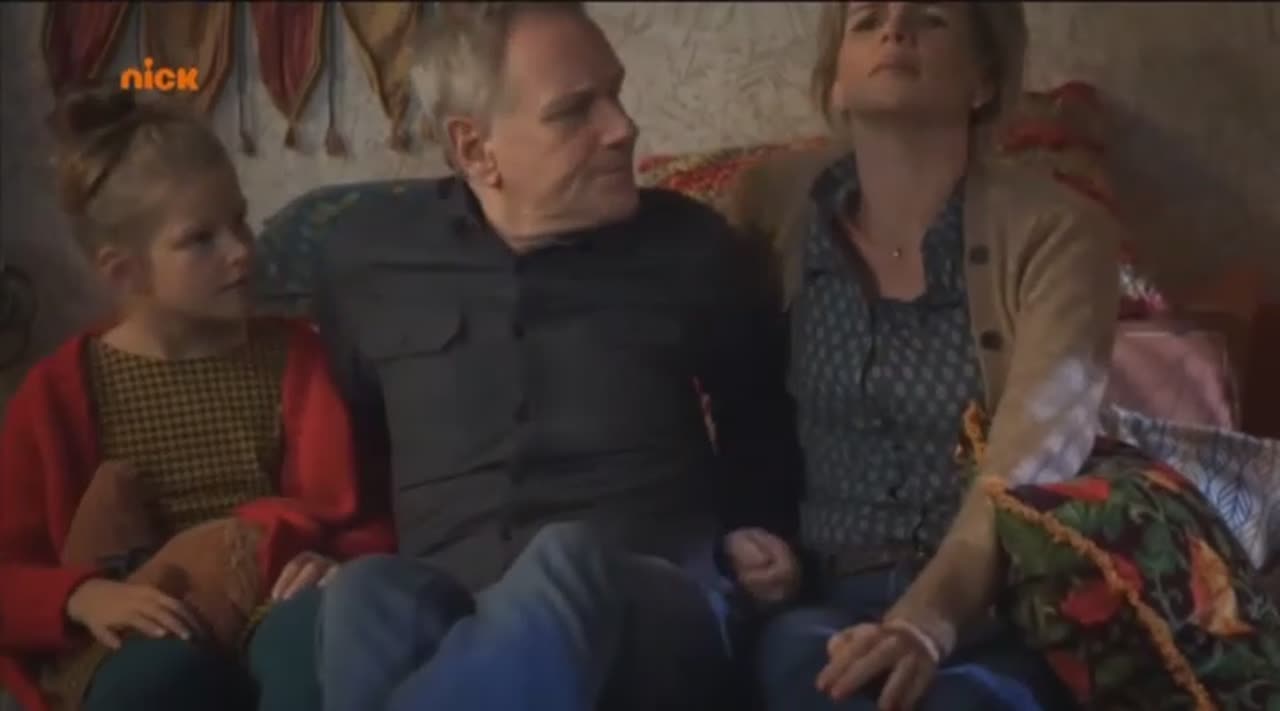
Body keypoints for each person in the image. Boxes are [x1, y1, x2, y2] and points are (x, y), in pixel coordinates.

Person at [311, 3, 803, 711]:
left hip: (656, 603)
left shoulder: (692, 248)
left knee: (567, 556)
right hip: (455, 602)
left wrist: (762, 534)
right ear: (475, 148)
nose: (622, 128)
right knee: (367, 589)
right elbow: (355, 434)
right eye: (575, 111)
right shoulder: (366, 259)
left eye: (616, 93)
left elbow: (763, 421)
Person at [724, 2, 1119, 710]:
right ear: (835, 80)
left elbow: (1035, 452)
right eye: (866, 19)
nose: (894, 28)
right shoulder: (773, 210)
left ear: (983, 79)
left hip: (998, 605)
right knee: (819, 679)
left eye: (930, 17)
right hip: (825, 602)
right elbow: (733, 390)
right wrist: (750, 538)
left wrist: (926, 621)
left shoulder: (1059, 231)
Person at [0, 90, 395, 711]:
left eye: (240, 221)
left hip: (274, 600)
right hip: (138, 625)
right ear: (124, 271)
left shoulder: (301, 357)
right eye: (200, 240)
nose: (241, 250)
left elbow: (366, 514)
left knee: (319, 647)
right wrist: (79, 596)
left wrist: (336, 561)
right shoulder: (55, 394)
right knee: (157, 682)